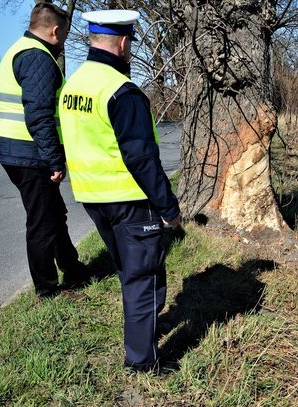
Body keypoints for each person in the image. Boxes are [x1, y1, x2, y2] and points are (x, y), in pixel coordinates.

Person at [58, 9, 180, 373]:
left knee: (132, 269)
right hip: (129, 198)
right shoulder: (121, 91)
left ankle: (145, 331)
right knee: (142, 276)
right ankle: (142, 361)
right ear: (124, 43)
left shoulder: (72, 86)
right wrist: (168, 207)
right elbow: (142, 158)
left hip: (92, 198)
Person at [0, 3, 91, 298]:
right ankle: (47, 290)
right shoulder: (37, 57)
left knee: (53, 213)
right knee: (42, 221)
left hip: (18, 149)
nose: (63, 40)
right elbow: (38, 115)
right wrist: (55, 160)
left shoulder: (20, 49)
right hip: (28, 153)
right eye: (63, 33)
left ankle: (73, 269)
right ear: (55, 30)